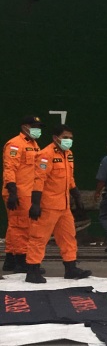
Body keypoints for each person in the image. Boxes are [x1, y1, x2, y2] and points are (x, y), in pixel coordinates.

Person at [24, 124, 91, 283]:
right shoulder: (45, 155)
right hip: (48, 205)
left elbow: (70, 179)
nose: (69, 141)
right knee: (39, 238)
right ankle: (32, 271)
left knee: (68, 237)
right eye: (65, 137)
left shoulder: (68, 154)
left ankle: (70, 268)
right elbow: (39, 180)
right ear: (55, 138)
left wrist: (77, 197)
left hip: (64, 206)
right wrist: (35, 204)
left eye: (70, 138)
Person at [3, 115, 44, 273]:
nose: (37, 130)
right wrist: (13, 191)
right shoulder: (15, 144)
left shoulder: (34, 145)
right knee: (21, 227)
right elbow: (9, 168)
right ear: (24, 127)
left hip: (27, 192)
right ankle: (22, 261)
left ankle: (10, 260)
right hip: (19, 192)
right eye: (34, 126)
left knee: (14, 225)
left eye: (38, 127)